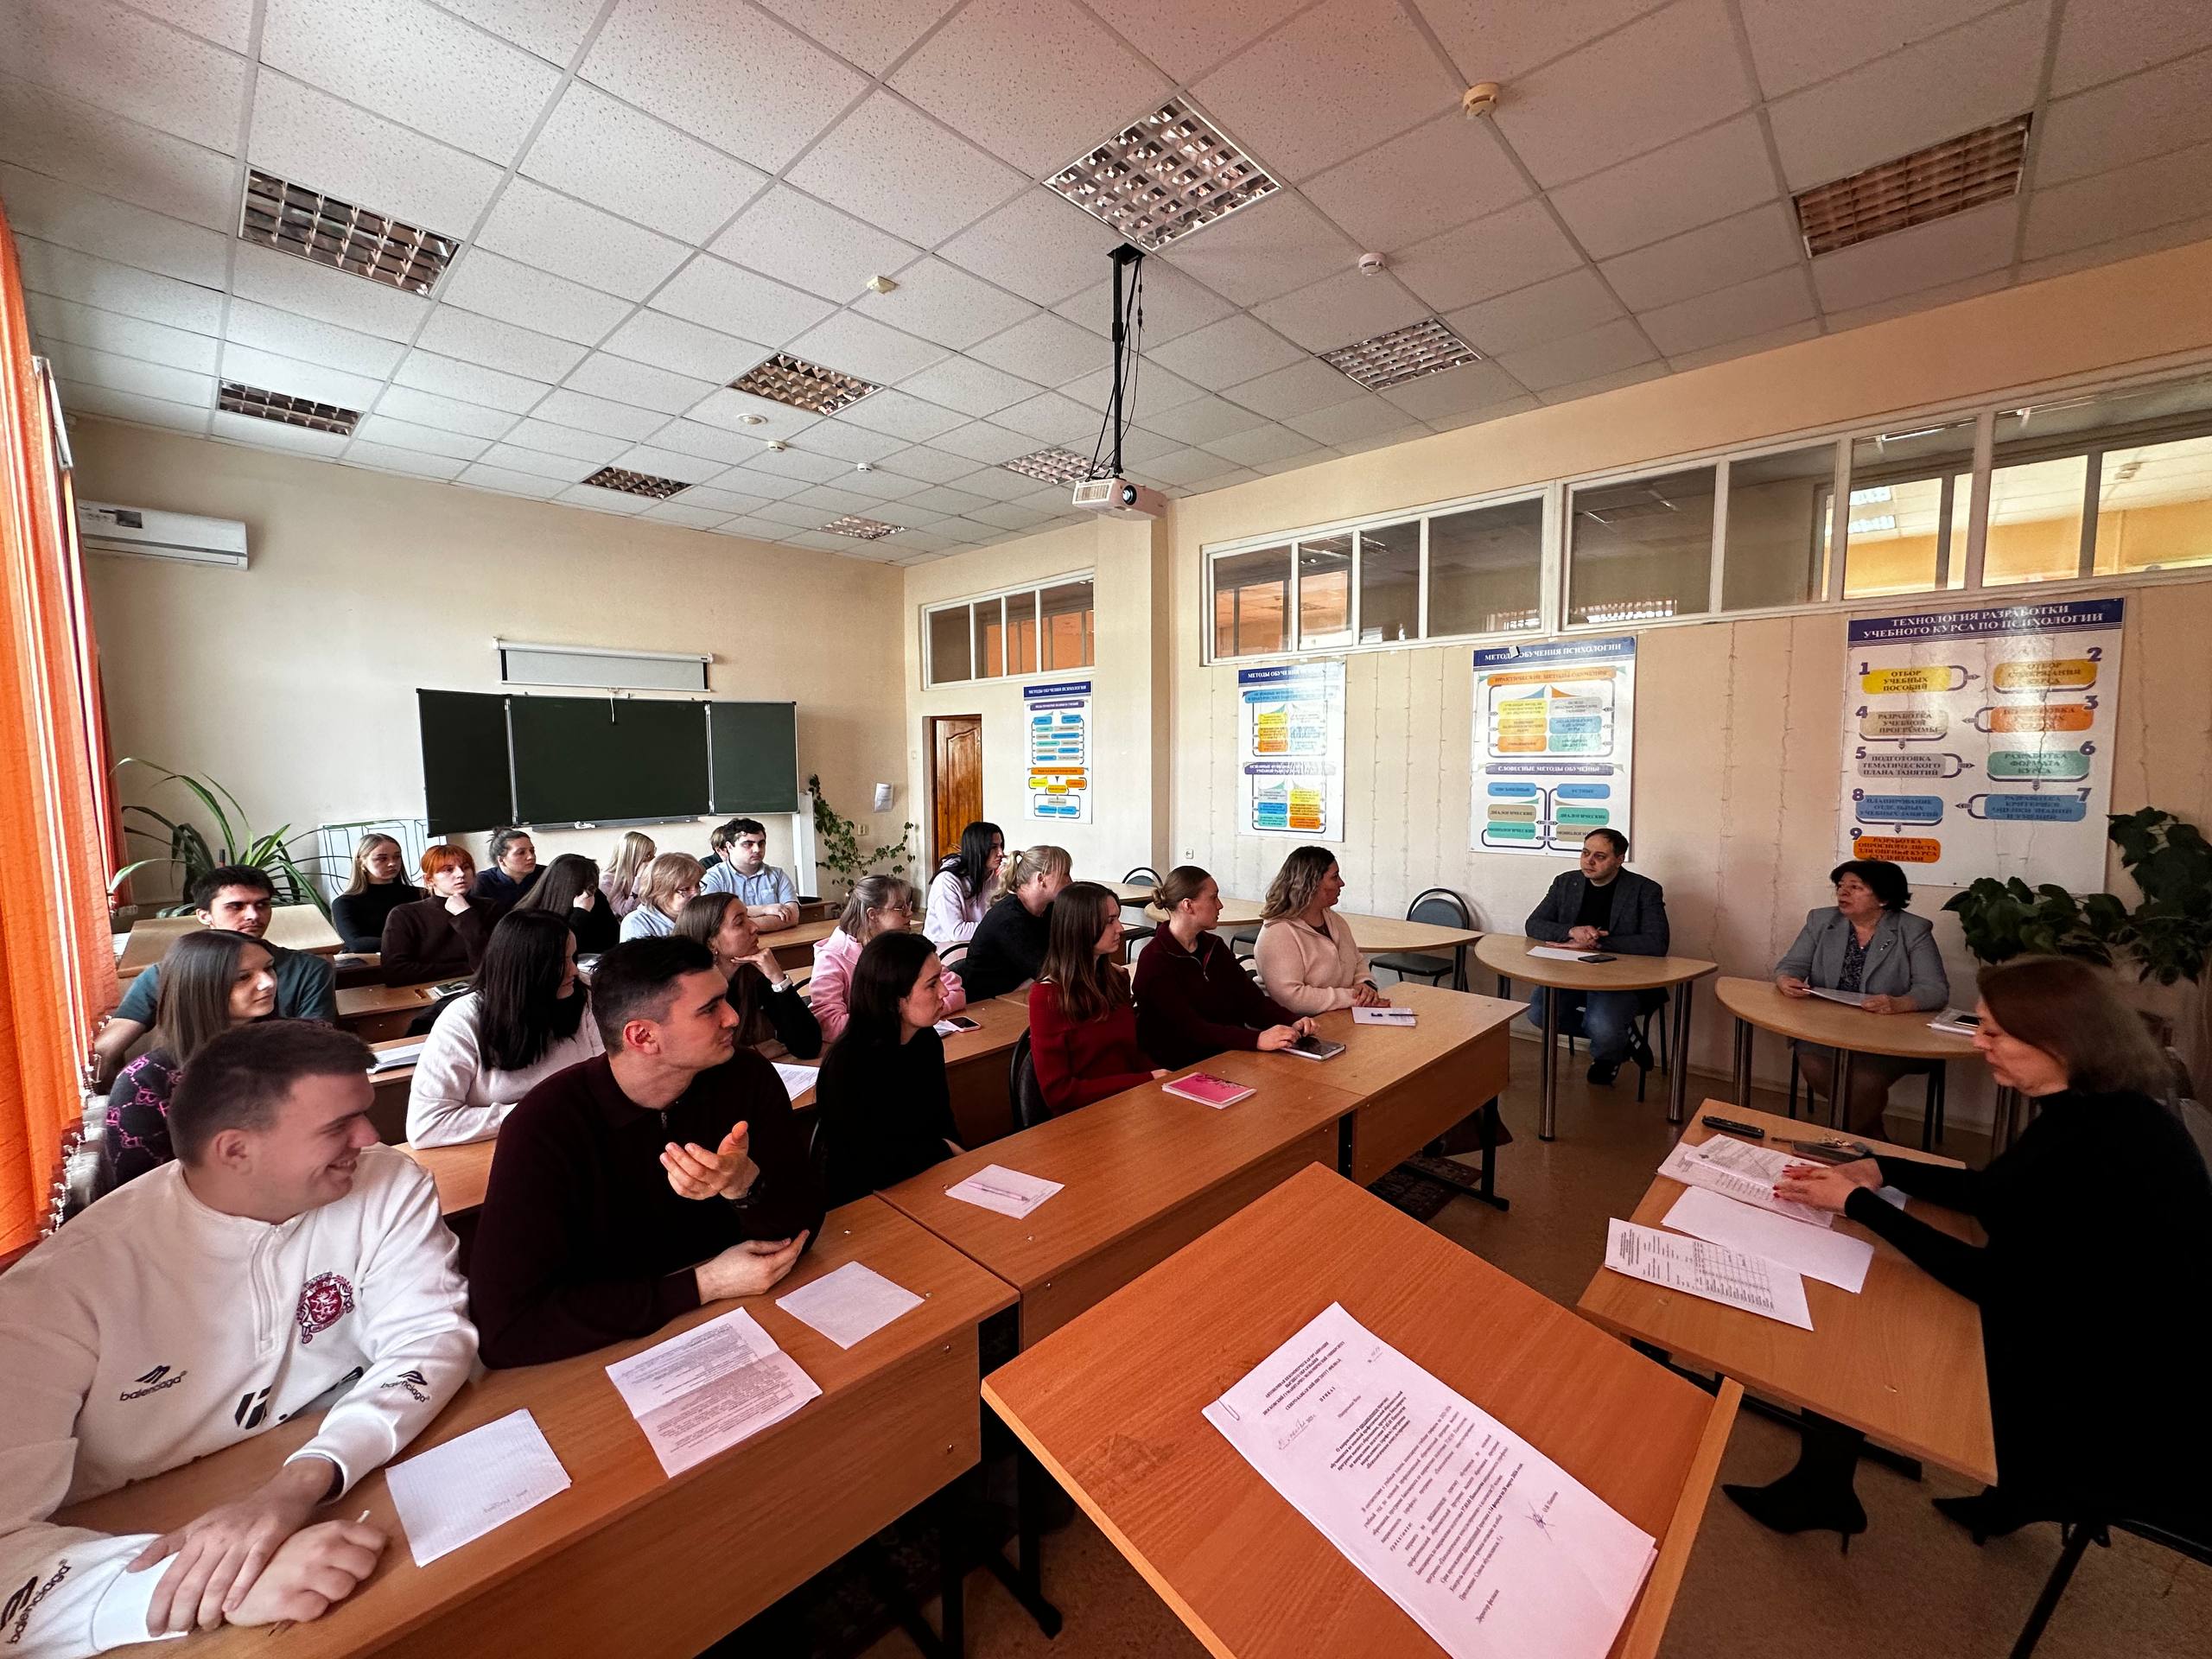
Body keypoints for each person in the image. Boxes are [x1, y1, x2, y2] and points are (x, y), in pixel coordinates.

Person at [0, 1022, 474, 1656]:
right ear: (235, 1150)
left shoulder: (386, 1185)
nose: (369, 1136)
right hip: (133, 1541)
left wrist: (298, 1483)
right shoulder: (62, 1289)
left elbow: (430, 1338)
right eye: (340, 1125)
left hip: (344, 1477)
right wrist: (207, 1583)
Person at [1754, 957, 2212, 1547]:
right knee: (1875, 1283)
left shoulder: (2100, 1142)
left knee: (1861, 1323)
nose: (1978, 1043)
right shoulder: (2100, 1109)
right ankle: (1972, 1495)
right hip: (2092, 1335)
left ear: (2058, 1043)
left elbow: (1996, 1283)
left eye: (1994, 1033)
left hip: (2115, 1402)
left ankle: (1825, 1490)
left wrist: (1859, 1204)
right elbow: (1999, 1193)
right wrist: (1883, 1169)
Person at [467, 937, 824, 1368]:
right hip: (615, 1349)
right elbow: (506, 1328)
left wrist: (745, 1186)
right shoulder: (544, 1126)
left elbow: (803, 1227)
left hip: (748, 1314)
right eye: (710, 1009)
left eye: (725, 999)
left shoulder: (746, 1076)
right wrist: (703, 1284)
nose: (733, 1017)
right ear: (642, 1036)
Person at [92, 866, 338, 1088]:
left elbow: (316, 1048)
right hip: (193, 1086)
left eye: (262, 905)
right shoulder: (163, 975)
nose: (253, 915)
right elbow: (108, 1046)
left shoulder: (309, 969)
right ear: (204, 915)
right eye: (236, 906)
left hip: (281, 1085)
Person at [1774, 858, 1949, 1134]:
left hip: (1888, 1036)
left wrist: (1898, 1003)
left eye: (1855, 887)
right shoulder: (1821, 920)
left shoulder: (1913, 929)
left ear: (1884, 898)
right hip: (1824, 1029)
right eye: (1841, 886)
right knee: (1815, 1066)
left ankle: (1836, 1145)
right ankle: (1870, 1137)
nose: (1843, 892)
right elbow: (1791, 965)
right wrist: (1786, 979)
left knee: (1864, 1082)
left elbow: (1935, 990)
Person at [405, 910, 606, 1148]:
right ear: (526, 968)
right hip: (503, 1147)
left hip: (576, 1136)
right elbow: (427, 1125)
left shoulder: (583, 995)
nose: (574, 970)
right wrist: (541, 1111)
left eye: (573, 957)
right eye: (561, 962)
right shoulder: (463, 1020)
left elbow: (604, 1080)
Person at [104, 930, 277, 1187]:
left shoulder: (292, 1048)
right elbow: (141, 1190)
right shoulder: (145, 1081)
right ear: (200, 987)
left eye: (269, 968)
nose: (268, 982)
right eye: (243, 977)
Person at [813, 931, 963, 1205]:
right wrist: (943, 1149)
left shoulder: (926, 1040)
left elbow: (943, 1121)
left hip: (927, 1179)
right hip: (868, 1200)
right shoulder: (847, 1064)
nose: (944, 992)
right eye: (932, 984)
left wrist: (962, 1163)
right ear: (895, 998)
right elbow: (872, 1164)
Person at [1523, 828, 1672, 1086]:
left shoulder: (1644, 890)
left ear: (1619, 859)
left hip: (1621, 979)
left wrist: (1597, 942)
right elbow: (1533, 924)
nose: (1589, 861)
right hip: (1569, 974)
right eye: (1585, 853)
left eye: (1600, 856)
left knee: (1602, 1024)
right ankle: (1621, 1037)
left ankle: (1607, 1057)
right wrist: (1571, 931)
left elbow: (1657, 943)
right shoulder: (1565, 883)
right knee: (1539, 1013)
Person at [1132, 866, 1313, 1070]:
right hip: (1181, 1065)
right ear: (1188, 905)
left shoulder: (1214, 947)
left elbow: (1251, 1002)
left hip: (1228, 1054)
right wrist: (1256, 1039)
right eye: (1213, 898)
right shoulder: (1155, 960)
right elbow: (1190, 1029)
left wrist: (1291, 1021)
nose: (1220, 905)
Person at [1027, 882, 1163, 1116]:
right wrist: (1146, 1079)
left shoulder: (1117, 978)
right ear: (1080, 926)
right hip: (1086, 1117)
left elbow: (1131, 1053)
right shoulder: (1046, 997)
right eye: (1110, 921)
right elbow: (1059, 1093)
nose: (1120, 928)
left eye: (1117, 918)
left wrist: (1164, 1078)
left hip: (1130, 1104)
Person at [810, 874, 968, 1044]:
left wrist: (922, 1011)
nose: (910, 913)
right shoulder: (832, 957)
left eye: (908, 905)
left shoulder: (905, 945)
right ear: (873, 915)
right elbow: (830, 1025)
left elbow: (956, 993)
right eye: (900, 908)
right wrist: (908, 1016)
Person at [673, 893, 822, 1059]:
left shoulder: (752, 974)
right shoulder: (687, 992)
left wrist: (778, 978)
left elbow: (808, 1047)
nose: (754, 927)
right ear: (711, 943)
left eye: (749, 917)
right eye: (739, 923)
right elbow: (694, 1060)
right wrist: (752, 1053)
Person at [1253, 847, 1389, 1014]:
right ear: (1311, 884)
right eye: (1334, 877)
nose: (1342, 883)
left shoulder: (1334, 920)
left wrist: (1365, 985)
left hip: (1337, 1014)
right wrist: (1353, 997)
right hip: (1293, 1023)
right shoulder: (1278, 932)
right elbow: (1292, 998)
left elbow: (1357, 961)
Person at [960, 844, 1070, 1000]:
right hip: (986, 1003)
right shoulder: (1009, 919)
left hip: (1018, 994)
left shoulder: (1048, 909)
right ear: (1041, 879)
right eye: (1065, 874)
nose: (1070, 881)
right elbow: (1048, 973)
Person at [380, 844, 499, 987]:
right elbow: (395, 972)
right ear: (429, 879)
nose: (461, 874)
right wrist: (470, 968)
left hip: (484, 988)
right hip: (423, 992)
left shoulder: (491, 908)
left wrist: (466, 915)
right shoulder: (405, 914)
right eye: (449, 870)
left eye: (466, 867)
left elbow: (498, 962)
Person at [699, 817, 799, 928]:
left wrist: (738, 923)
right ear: (730, 847)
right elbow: (713, 919)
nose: (757, 849)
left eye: (761, 844)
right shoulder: (713, 878)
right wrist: (764, 909)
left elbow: (793, 917)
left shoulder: (778, 875)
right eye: (748, 844)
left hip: (779, 938)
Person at [327, 833, 417, 954]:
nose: (392, 863)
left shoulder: (420, 895)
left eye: (397, 857)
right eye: (382, 858)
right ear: (361, 863)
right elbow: (356, 943)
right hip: (371, 962)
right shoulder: (345, 903)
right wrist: (409, 942)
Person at [515, 851, 616, 955]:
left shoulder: (595, 898)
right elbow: (555, 951)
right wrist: (580, 913)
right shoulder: (527, 917)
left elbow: (613, 938)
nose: (589, 890)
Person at [923, 820, 1004, 946]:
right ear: (977, 849)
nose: (1001, 853)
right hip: (944, 948)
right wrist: (998, 927)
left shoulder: (993, 874)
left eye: (1001, 846)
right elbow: (957, 932)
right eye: (994, 847)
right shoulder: (947, 880)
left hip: (978, 942)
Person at [618, 852, 705, 942]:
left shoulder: (701, 914)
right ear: (660, 892)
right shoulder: (638, 923)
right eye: (685, 889)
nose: (696, 893)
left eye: (697, 885)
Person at [472, 828, 539, 913]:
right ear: (501, 860)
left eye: (532, 851)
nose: (531, 857)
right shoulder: (484, 881)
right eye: (521, 853)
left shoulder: (544, 874)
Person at [601, 830, 656, 919]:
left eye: (653, 853)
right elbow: (626, 913)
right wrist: (639, 878)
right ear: (633, 857)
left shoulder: (647, 873)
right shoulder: (607, 880)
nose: (654, 859)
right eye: (648, 855)